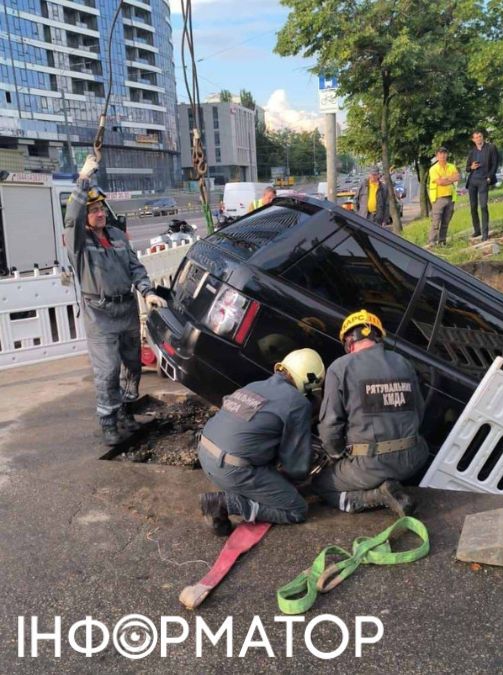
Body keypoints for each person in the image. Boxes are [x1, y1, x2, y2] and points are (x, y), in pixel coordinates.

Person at [65, 154, 166, 445]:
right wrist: (83, 180)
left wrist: (147, 291)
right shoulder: (79, 244)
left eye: (101, 208)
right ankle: (108, 420)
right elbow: (71, 217)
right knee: (108, 369)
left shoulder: (118, 236)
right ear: (84, 216)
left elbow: (135, 267)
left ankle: (125, 410)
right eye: (93, 209)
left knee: (132, 365)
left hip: (126, 309)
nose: (100, 213)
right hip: (99, 314)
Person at [197, 348, 325, 535]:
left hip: (205, 454)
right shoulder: (297, 402)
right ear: (310, 380)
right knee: (296, 509)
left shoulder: (255, 385)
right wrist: (301, 476)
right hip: (231, 469)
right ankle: (225, 504)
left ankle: (231, 495)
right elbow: (295, 466)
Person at [313, 310, 427, 516]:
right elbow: (419, 410)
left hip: (373, 465)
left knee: (321, 484)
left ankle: (377, 495)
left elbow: (330, 427)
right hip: (415, 458)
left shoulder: (340, 368)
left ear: (349, 341)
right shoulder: (404, 363)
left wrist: (337, 455)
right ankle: (388, 481)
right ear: (378, 336)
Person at [466, 129, 500, 241]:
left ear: (483, 137)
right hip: (472, 181)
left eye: (479, 136)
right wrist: (471, 167)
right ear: (473, 140)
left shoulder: (491, 148)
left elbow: (495, 164)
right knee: (473, 207)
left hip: (484, 181)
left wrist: (490, 177)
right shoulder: (472, 152)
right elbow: (467, 168)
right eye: (475, 137)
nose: (478, 139)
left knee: (483, 206)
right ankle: (477, 230)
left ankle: (485, 234)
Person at [427, 147, 460, 247]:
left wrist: (446, 179)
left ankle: (442, 242)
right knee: (436, 222)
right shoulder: (433, 169)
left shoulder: (451, 166)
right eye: (440, 154)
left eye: (444, 153)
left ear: (447, 155)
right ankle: (432, 242)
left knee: (446, 222)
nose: (443, 156)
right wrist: (450, 179)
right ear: (437, 156)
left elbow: (457, 177)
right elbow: (440, 182)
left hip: (450, 197)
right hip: (438, 198)